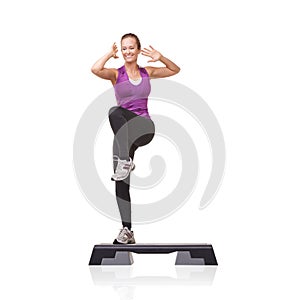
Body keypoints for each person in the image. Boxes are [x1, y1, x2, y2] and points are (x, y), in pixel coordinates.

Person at [91, 33, 180, 244]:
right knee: (121, 181)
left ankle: (124, 161)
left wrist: (161, 57)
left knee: (115, 111)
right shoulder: (115, 74)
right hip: (124, 135)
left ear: (138, 50)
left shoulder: (146, 72)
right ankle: (127, 230)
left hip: (143, 127)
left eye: (131, 48)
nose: (127, 51)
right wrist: (108, 54)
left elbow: (175, 70)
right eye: (124, 48)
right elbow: (95, 69)